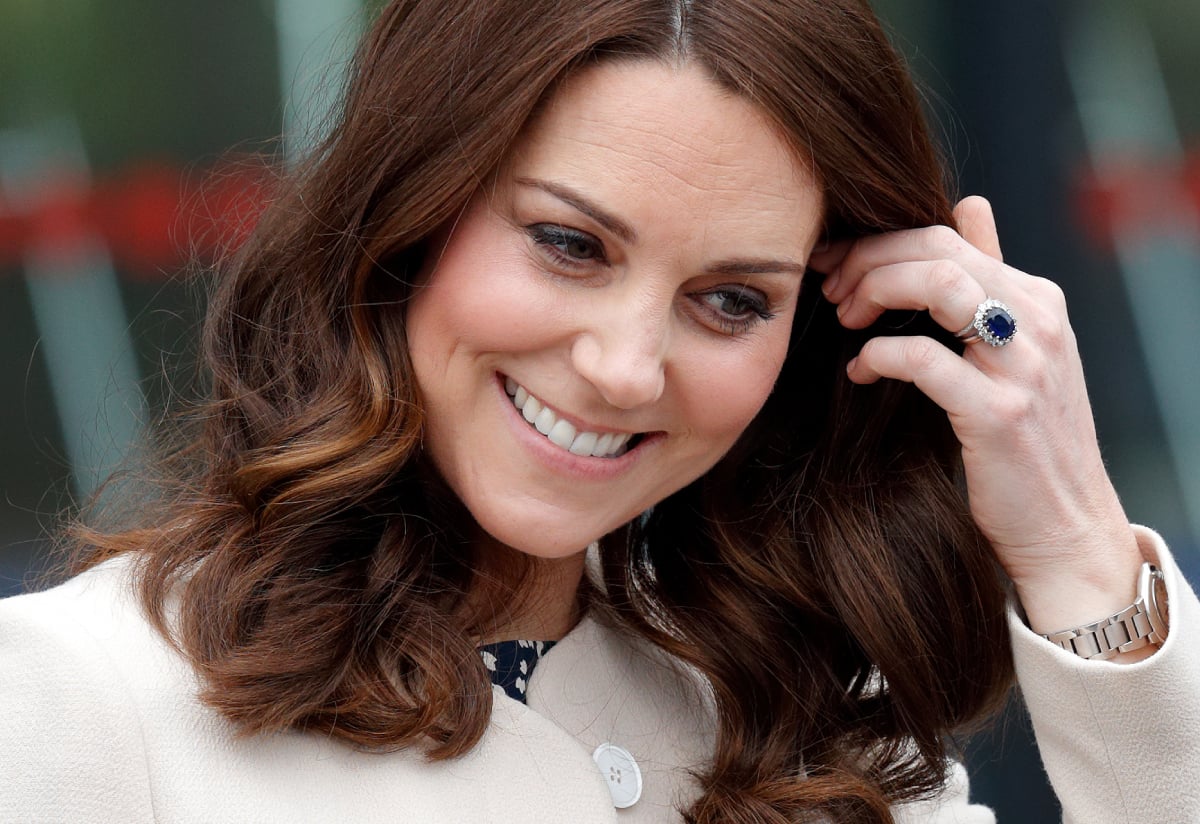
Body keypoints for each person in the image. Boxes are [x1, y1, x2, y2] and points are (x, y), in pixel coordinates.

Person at [2, 0, 1198, 821]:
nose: (628, 369)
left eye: (731, 298)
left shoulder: (812, 721)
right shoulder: (85, 697)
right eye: (570, 243)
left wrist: (1076, 539)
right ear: (414, 206)